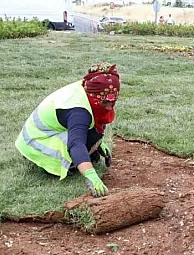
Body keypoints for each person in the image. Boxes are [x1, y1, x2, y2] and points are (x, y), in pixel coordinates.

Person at [15, 62, 120, 197]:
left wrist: (99, 143)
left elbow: (92, 123)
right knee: (87, 142)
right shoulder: (78, 112)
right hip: (37, 142)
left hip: (47, 131)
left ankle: (84, 155)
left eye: (113, 102)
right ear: (94, 96)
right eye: (105, 102)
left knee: (93, 140)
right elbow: (76, 144)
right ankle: (51, 164)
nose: (109, 107)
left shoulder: (87, 88)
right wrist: (91, 176)